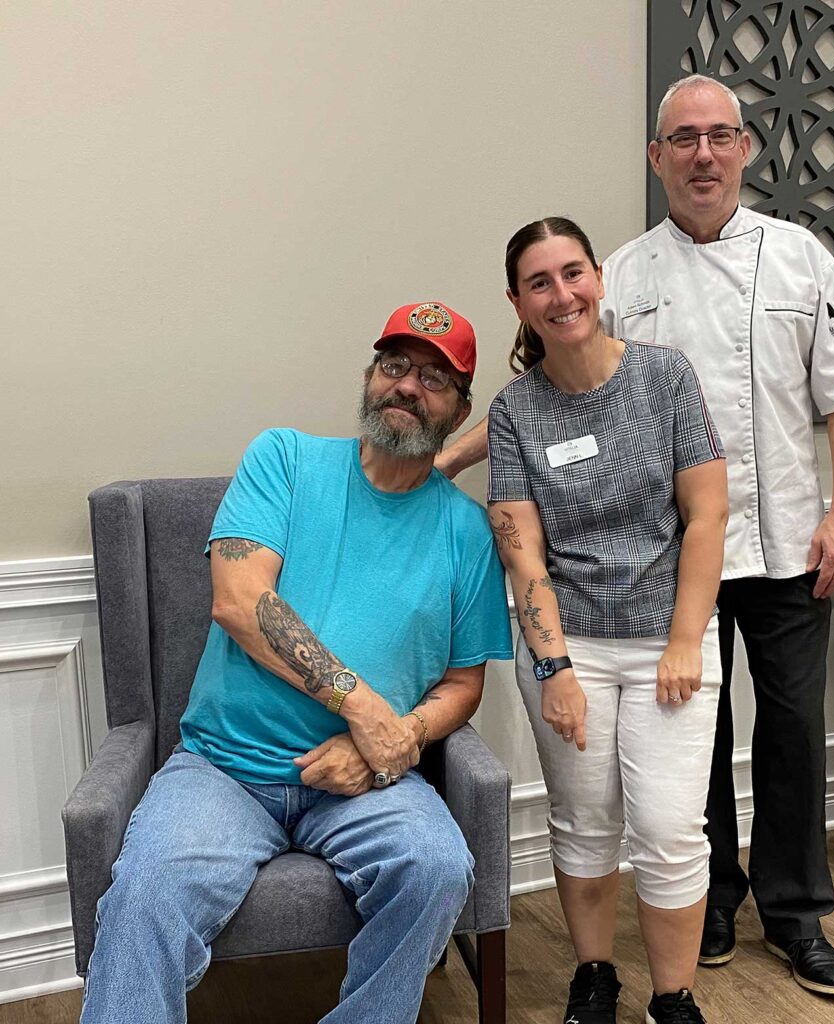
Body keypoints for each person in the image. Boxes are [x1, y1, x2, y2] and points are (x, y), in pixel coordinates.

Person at [79, 301, 514, 1024]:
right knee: (146, 894)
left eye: (435, 378)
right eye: (395, 365)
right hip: (225, 768)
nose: (409, 386)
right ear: (371, 376)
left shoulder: (466, 531)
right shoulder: (284, 459)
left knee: (439, 870)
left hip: (364, 781)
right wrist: (365, 709)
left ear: (460, 410)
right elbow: (239, 601)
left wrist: (393, 741)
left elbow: (465, 683)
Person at [598, 76, 834, 996]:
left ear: (744, 149)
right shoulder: (623, 275)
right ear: (656, 158)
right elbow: (573, 395)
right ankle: (715, 900)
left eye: (718, 136)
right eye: (684, 139)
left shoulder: (800, 256)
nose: (703, 155)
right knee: (693, 730)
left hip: (788, 541)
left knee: (794, 730)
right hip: (670, 551)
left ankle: (798, 912)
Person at [487, 216, 729, 1024]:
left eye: (573, 273)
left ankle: (673, 997)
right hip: (571, 645)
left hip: (671, 637)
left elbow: (707, 515)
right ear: (518, 303)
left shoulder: (665, 377)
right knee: (584, 821)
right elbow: (523, 554)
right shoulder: (515, 410)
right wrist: (554, 669)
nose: (562, 295)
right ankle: (594, 976)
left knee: (669, 828)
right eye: (540, 283)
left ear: (598, 278)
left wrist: (686, 641)